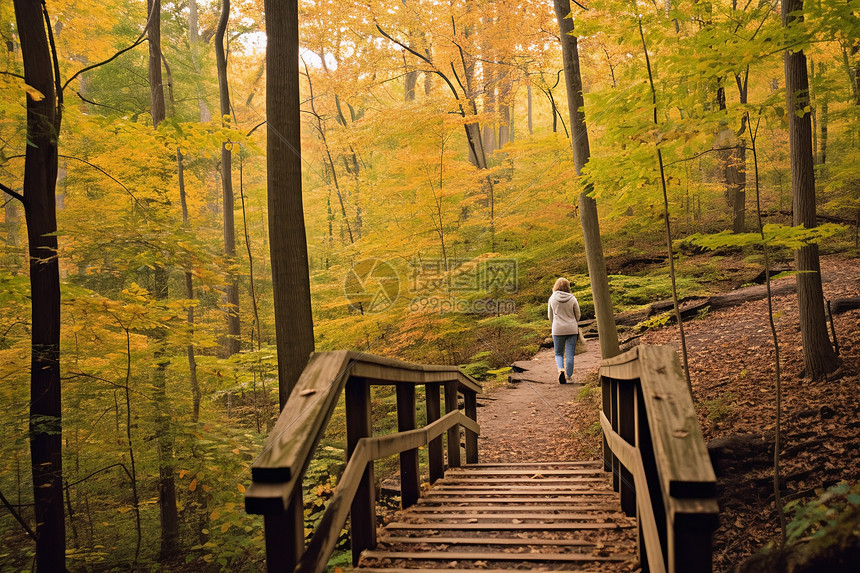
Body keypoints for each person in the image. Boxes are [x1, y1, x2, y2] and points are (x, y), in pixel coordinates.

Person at [548, 277, 581, 384]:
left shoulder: (552, 298)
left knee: (558, 353)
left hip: (557, 329)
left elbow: (550, 316)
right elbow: (578, 314)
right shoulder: (572, 298)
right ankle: (569, 375)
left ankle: (561, 370)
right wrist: (573, 322)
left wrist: (555, 324)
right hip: (572, 328)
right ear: (568, 287)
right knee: (570, 353)